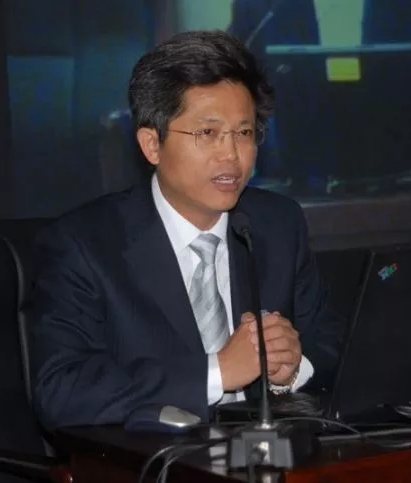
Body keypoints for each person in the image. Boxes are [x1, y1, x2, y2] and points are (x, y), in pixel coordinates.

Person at [27, 30, 344, 431]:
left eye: (244, 133)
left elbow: (332, 345)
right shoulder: (83, 245)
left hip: (268, 454)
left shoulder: (277, 223)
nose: (231, 155)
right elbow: (61, 390)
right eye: (207, 133)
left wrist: (293, 368)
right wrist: (218, 372)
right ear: (151, 145)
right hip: (154, 458)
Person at [229, 0, 411, 180]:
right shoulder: (261, 6)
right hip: (293, 194)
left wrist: (382, 145)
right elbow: (231, 102)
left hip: (405, 188)